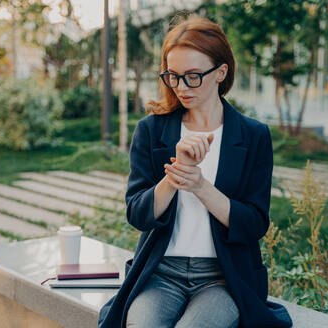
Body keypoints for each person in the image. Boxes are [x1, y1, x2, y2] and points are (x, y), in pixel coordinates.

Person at [98, 15, 293, 328]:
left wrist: (201, 186)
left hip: (223, 278)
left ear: (221, 72)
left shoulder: (253, 135)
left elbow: (255, 223)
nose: (180, 87)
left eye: (192, 76)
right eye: (172, 76)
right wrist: (175, 177)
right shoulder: (151, 130)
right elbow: (137, 214)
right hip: (160, 273)